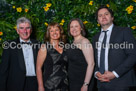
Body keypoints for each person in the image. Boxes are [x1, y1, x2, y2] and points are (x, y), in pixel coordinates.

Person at [92, 5, 136, 91]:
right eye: (100, 15)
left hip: (121, 83)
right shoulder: (95, 38)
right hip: (101, 84)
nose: (103, 17)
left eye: (106, 14)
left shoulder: (124, 31)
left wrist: (114, 74)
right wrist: (96, 73)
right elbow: (95, 60)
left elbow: (133, 55)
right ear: (98, 20)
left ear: (112, 18)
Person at [0, 17, 39, 91]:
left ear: (31, 30)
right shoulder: (9, 46)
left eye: (27, 28)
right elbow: (3, 71)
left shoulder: (38, 45)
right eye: (21, 28)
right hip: (15, 85)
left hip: (35, 84)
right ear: (17, 31)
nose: (25, 31)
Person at [36, 22, 68, 91]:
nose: (54, 32)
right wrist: (40, 86)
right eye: (51, 31)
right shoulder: (44, 48)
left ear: (60, 31)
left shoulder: (65, 47)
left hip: (64, 84)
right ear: (49, 33)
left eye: (57, 30)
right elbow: (38, 68)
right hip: (49, 85)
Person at [67, 18, 95, 91]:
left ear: (81, 28)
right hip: (73, 81)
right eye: (71, 27)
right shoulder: (73, 42)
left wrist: (85, 84)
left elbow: (91, 64)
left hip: (82, 81)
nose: (74, 29)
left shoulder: (84, 41)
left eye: (76, 26)